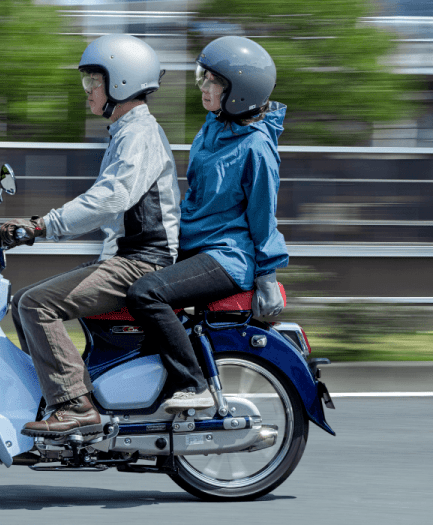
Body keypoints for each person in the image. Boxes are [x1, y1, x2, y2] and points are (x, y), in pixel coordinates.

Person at [0, 34, 181, 437]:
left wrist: (44, 225)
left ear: (120, 83)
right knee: (22, 303)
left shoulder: (139, 135)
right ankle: (55, 396)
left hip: (140, 263)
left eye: (92, 82)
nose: (87, 92)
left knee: (35, 305)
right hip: (124, 258)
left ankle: (74, 406)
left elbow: (112, 196)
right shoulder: (126, 132)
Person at [124, 35, 289, 414]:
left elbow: (263, 217)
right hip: (194, 244)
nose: (203, 86)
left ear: (239, 92)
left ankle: (193, 384)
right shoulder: (212, 127)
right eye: (204, 77)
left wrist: (267, 276)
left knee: (146, 294)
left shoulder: (257, 148)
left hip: (227, 257)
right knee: (122, 277)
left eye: (213, 81)